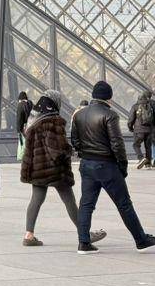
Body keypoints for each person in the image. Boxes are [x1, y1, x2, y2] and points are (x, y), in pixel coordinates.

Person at [72, 81, 155, 256]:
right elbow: (117, 143)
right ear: (109, 97)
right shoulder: (110, 115)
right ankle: (141, 240)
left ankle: (84, 243)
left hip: (87, 165)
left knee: (86, 205)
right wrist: (122, 167)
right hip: (107, 165)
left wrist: (85, 154)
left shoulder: (79, 114)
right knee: (124, 204)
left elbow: (75, 141)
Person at [20, 95, 105, 248]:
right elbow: (56, 149)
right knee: (69, 201)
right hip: (55, 169)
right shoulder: (53, 121)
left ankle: (29, 234)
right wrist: (69, 151)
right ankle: (85, 234)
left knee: (36, 200)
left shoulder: (33, 122)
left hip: (38, 169)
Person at [127, 91, 155, 170]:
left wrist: (130, 127)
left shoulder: (135, 106)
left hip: (138, 130)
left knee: (136, 145)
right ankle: (148, 164)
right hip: (149, 130)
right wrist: (153, 126)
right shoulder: (151, 106)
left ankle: (141, 158)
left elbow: (131, 119)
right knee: (148, 147)